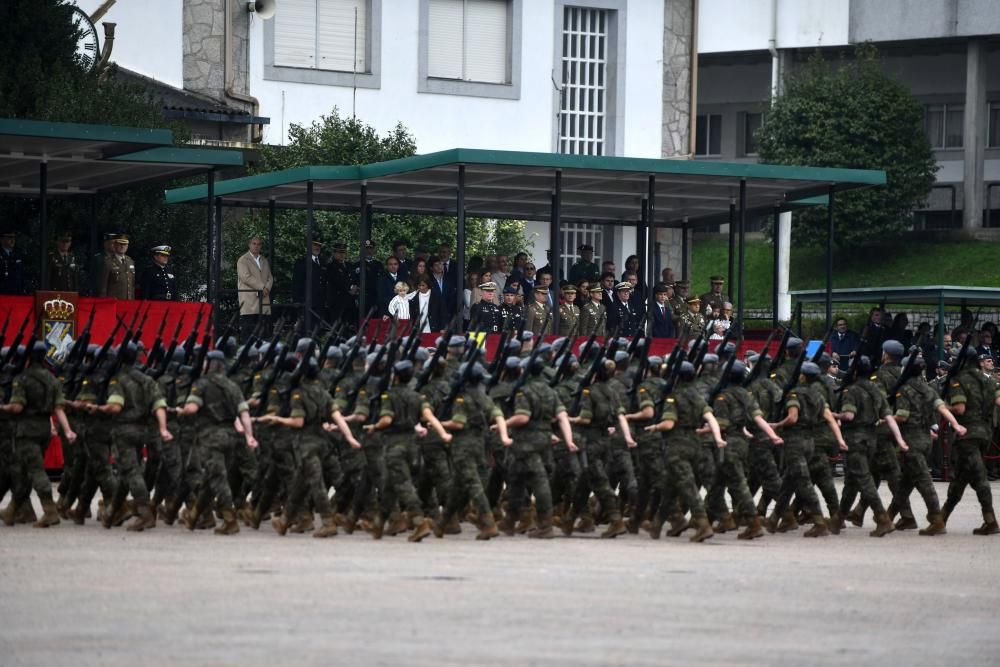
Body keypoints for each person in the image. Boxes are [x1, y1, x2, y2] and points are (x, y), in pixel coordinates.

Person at [0, 341, 77, 527]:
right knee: (23, 471)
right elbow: (59, 408)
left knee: (35, 471)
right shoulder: (52, 379)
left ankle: (50, 511)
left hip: (26, 430)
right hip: (43, 430)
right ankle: (13, 509)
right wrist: (67, 430)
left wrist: (2, 407)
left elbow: (18, 406)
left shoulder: (23, 378)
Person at [942, 347, 1000, 534]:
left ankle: (990, 520)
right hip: (986, 433)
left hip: (968, 435)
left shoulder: (958, 380)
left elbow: (959, 408)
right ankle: (940, 518)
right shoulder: (989, 380)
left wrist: (943, 407)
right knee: (961, 476)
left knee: (979, 476)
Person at [237, 236, 274, 341]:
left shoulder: (264, 260)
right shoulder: (243, 260)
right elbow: (245, 277)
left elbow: (270, 277)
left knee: (264, 332)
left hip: (264, 299)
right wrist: (262, 287)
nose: (256, 246)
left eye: (259, 244)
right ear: (249, 245)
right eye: (254, 243)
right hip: (250, 301)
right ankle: (247, 354)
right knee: (249, 332)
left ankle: (263, 354)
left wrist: (266, 288)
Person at [292, 240, 329, 314]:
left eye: (319, 245)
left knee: (319, 324)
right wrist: (296, 300)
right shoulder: (302, 262)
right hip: (307, 301)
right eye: (315, 245)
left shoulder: (323, 262)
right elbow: (297, 282)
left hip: (321, 302)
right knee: (308, 323)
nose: (317, 247)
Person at [326, 242, 354, 326]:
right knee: (336, 326)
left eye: (343, 252)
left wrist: (355, 287)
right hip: (337, 302)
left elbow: (354, 279)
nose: (342, 254)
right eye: (339, 252)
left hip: (349, 302)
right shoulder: (330, 266)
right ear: (334, 253)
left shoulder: (349, 265)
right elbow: (337, 281)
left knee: (348, 326)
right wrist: (350, 288)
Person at [99, 234, 135, 299]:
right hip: (114, 302)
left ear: (127, 246)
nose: (122, 246)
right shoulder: (107, 262)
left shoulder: (130, 261)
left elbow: (132, 285)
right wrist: (103, 302)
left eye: (125, 244)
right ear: (115, 245)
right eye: (120, 244)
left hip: (128, 301)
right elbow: (103, 286)